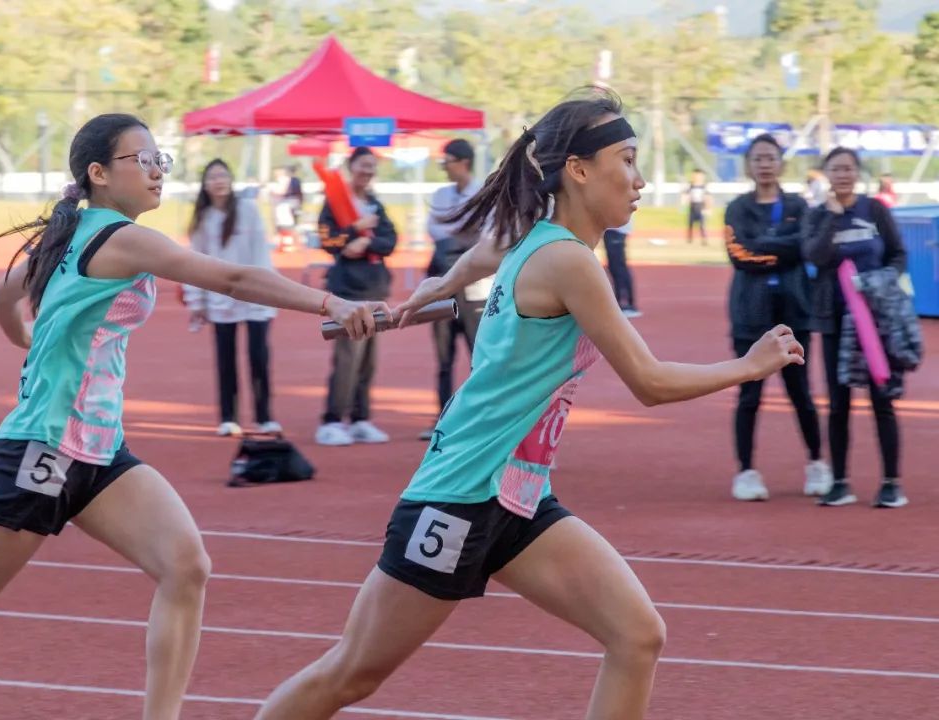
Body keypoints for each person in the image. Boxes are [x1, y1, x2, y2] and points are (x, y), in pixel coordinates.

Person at [253, 90, 804, 720]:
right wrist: (749, 365)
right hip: (460, 496)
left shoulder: (535, 239)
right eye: (627, 160)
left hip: (517, 495)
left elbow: (482, 252)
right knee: (351, 674)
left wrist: (437, 285)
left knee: (637, 635)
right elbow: (649, 382)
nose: (641, 180)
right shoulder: (568, 261)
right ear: (579, 169)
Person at [0, 114, 385, 719]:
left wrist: (27, 339)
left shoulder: (67, 232)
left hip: (98, 450)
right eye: (145, 160)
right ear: (100, 173)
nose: (159, 172)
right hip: (45, 449)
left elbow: (3, 295)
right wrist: (329, 301)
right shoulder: (119, 237)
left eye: (162, 160)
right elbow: (233, 277)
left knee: (185, 566)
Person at [723, 134, 831, 501]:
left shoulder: (799, 204)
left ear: (781, 164)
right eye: (758, 158)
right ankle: (746, 471)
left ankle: (817, 462)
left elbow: (806, 247)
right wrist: (783, 247)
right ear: (748, 166)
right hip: (750, 315)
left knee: (801, 393)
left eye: (771, 158)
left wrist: (764, 244)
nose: (764, 164)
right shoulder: (737, 208)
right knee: (749, 394)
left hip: (794, 312)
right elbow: (739, 254)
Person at [804, 147, 908, 508]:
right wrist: (833, 218)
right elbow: (814, 256)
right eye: (836, 169)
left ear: (858, 173)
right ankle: (840, 482)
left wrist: (880, 280)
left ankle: (891, 483)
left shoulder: (875, 210)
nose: (843, 175)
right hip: (834, 321)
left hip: (875, 321)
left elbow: (898, 255)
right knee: (838, 403)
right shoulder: (817, 215)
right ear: (827, 175)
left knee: (882, 400)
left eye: (848, 168)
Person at [184, 159, 281, 437]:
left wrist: (266, 290)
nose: (219, 181)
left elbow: (260, 253)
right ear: (205, 184)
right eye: (213, 176)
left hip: (255, 297)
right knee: (225, 360)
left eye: (223, 175)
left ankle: (264, 417)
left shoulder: (248, 209)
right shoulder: (203, 218)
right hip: (220, 299)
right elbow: (194, 263)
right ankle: (228, 417)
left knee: (258, 358)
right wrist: (197, 301)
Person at [315, 147, 397, 446]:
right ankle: (333, 420)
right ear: (351, 166)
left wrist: (365, 244)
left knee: (368, 361)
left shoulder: (375, 204)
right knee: (348, 358)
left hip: (375, 289)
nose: (368, 171)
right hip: (348, 291)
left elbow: (390, 241)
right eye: (363, 165)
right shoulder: (335, 202)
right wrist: (354, 230)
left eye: (372, 166)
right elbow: (328, 239)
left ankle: (361, 419)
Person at [420, 138, 487, 441]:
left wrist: (454, 233)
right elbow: (434, 229)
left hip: (475, 288)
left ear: (463, 162)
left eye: (446, 162)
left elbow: (486, 234)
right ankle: (443, 420)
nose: (444, 168)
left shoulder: (484, 193)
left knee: (480, 358)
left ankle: (480, 420)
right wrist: (461, 233)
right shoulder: (441, 194)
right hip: (442, 286)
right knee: (443, 359)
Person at [604, 218, 640, 318]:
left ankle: (626, 304)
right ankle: (621, 302)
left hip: (616, 229)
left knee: (618, 268)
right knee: (614, 268)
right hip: (612, 229)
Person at [684, 168, 710, 245]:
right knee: (690, 224)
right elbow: (687, 196)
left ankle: (704, 239)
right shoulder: (691, 186)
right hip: (692, 206)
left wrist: (708, 208)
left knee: (702, 224)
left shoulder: (704, 187)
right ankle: (690, 238)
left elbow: (707, 198)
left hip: (701, 207)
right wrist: (684, 205)